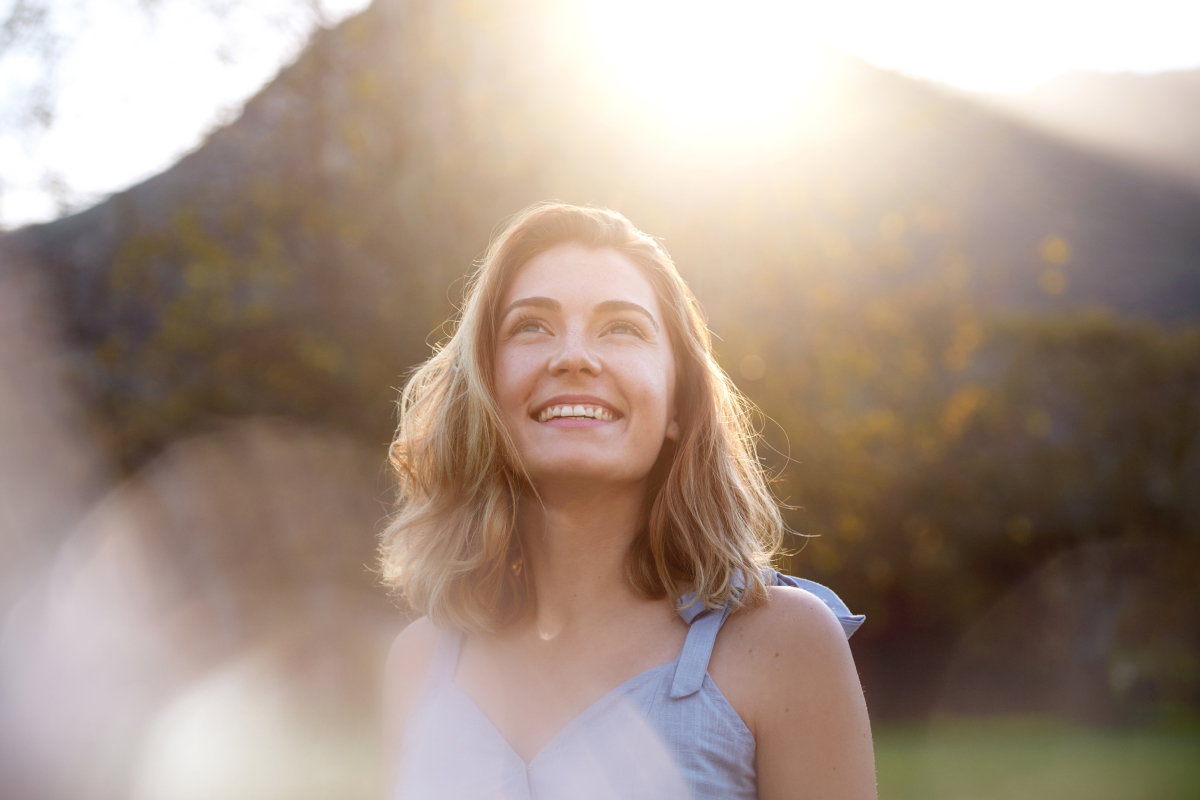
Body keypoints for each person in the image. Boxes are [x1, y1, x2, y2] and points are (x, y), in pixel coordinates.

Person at [379, 202, 876, 799]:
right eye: (531, 326)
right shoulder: (419, 664)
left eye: (622, 328)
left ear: (677, 404)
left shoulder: (782, 645)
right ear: (483, 387)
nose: (574, 357)